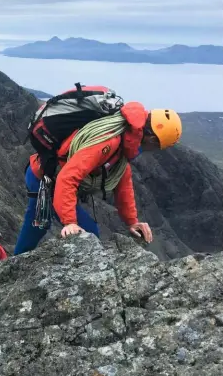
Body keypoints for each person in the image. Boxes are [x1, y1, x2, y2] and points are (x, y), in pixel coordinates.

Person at [14, 87, 182, 255]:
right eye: (155, 147)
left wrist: (131, 222)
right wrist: (70, 222)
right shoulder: (110, 140)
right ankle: (16, 266)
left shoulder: (125, 138)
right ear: (152, 139)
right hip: (44, 179)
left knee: (37, 225)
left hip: (48, 175)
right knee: (84, 232)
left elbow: (123, 182)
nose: (151, 150)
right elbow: (68, 177)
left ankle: (16, 262)